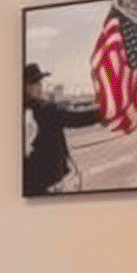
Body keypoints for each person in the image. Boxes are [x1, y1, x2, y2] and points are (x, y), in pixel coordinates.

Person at [23, 63, 100, 196]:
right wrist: (105, 113)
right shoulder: (45, 109)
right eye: (35, 83)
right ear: (26, 87)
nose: (40, 86)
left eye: (39, 82)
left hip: (27, 186)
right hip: (49, 185)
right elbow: (76, 118)